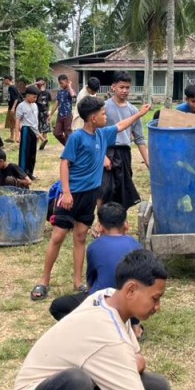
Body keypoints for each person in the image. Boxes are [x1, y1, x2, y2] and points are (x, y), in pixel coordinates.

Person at [10, 250, 192, 390]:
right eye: (155, 298)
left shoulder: (108, 297)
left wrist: (128, 364)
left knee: (155, 388)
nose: (158, 307)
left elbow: (137, 359)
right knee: (76, 383)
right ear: (131, 290)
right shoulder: (106, 333)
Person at [31, 96, 151, 301]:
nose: (107, 117)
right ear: (93, 118)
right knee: (58, 236)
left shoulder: (102, 134)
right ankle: (44, 281)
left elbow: (121, 126)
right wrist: (66, 193)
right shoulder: (77, 138)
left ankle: (78, 282)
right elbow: (64, 164)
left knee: (80, 236)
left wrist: (139, 114)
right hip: (71, 195)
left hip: (90, 196)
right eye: (103, 114)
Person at [48, 201, 143, 320]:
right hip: (129, 307)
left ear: (101, 227)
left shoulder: (95, 246)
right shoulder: (137, 245)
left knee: (57, 306)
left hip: (102, 305)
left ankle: (90, 328)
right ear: (126, 224)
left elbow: (91, 284)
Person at [101, 71, 149, 209]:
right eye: (121, 87)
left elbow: (139, 138)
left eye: (127, 88)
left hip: (124, 153)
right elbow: (97, 134)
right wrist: (103, 156)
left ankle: (120, 222)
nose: (124, 91)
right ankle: (102, 224)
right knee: (105, 190)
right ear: (113, 87)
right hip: (108, 151)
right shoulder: (104, 108)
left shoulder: (133, 110)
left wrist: (147, 161)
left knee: (123, 190)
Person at [17, 84, 44, 177]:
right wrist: (17, 134)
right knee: (25, 152)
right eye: (34, 97)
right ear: (27, 95)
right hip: (26, 130)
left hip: (34, 130)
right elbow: (18, 120)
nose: (35, 99)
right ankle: (22, 173)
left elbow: (35, 120)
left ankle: (30, 172)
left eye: (36, 97)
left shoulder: (35, 105)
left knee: (33, 152)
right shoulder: (21, 106)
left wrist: (37, 133)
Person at [51, 73, 77, 145]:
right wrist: (50, 115)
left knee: (68, 134)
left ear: (66, 81)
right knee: (57, 133)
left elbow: (73, 96)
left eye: (62, 83)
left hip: (67, 115)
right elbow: (56, 104)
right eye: (60, 83)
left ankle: (69, 151)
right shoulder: (60, 92)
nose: (61, 85)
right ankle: (68, 147)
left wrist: (69, 85)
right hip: (60, 116)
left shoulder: (70, 90)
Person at [35, 78, 52, 151]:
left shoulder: (47, 93)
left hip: (44, 111)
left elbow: (49, 103)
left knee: (45, 128)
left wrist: (49, 111)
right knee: (36, 127)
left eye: (42, 83)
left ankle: (43, 143)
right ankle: (36, 144)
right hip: (36, 111)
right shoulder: (36, 92)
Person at [4, 76, 21, 142]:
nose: (4, 81)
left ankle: (19, 137)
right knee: (11, 122)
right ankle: (12, 137)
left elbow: (16, 98)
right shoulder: (10, 87)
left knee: (16, 122)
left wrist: (13, 108)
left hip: (14, 107)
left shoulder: (12, 87)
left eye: (4, 80)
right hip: (11, 106)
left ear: (8, 80)